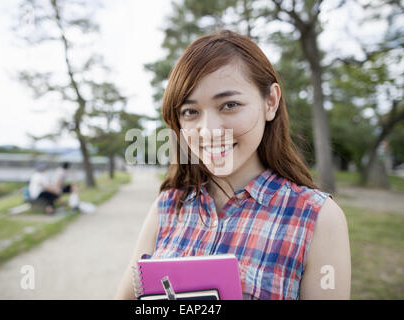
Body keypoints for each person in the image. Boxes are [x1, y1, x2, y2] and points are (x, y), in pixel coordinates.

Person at [115, 30, 351, 300]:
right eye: (191, 112)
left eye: (229, 105)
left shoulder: (318, 218)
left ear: (270, 102)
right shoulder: (167, 207)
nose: (209, 130)